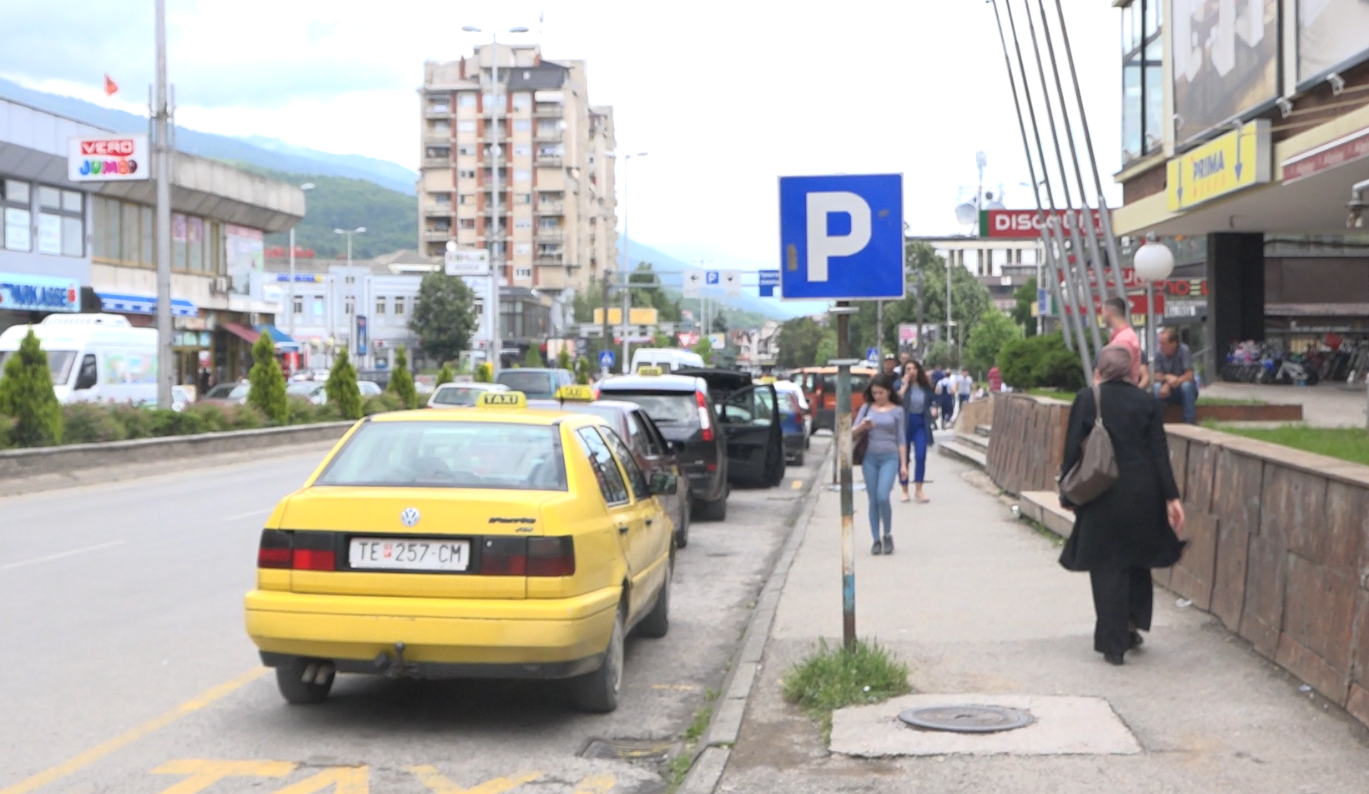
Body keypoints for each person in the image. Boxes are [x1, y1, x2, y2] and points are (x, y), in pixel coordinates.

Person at [1059, 345, 1187, 666]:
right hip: (1143, 495)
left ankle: (1112, 643)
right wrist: (1172, 498)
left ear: (1099, 372)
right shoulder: (1147, 403)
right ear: (1133, 373)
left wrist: (1067, 494)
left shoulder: (1088, 399)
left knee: (1106, 566)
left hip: (1101, 493)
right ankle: (1132, 625)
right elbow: (1160, 454)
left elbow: (1073, 448)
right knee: (1137, 559)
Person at [853, 373, 907, 556]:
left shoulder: (897, 410)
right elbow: (852, 432)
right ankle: (875, 538)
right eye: (874, 393)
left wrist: (903, 465)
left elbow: (901, 438)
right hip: (870, 457)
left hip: (889, 457)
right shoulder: (867, 408)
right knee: (873, 499)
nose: (878, 397)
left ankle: (888, 534)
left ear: (889, 392)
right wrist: (863, 426)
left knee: (883, 496)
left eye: (881, 393)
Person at [898, 359, 935, 504]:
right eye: (908, 369)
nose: (911, 371)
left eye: (914, 368)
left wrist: (933, 408)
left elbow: (932, 400)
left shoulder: (925, 387)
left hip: (920, 423)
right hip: (904, 425)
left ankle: (919, 489)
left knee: (920, 455)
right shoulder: (899, 385)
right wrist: (905, 385)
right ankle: (904, 489)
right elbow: (896, 400)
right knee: (904, 459)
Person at [1151, 328, 1197, 424]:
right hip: (1166, 392)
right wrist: (1166, 377)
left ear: (1173, 343)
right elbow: (1156, 376)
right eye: (1160, 343)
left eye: (1163, 343)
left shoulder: (1184, 351)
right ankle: (1157, 421)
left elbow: (1189, 375)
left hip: (1182, 390)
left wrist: (1170, 383)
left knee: (1186, 386)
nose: (1161, 346)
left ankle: (1189, 421)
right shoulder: (1159, 354)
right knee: (1156, 387)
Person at [1102, 297, 1149, 388]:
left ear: (1108, 313)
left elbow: (1117, 372)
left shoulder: (1123, 340)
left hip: (1120, 392)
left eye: (1103, 312)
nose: (1102, 315)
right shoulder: (1126, 336)